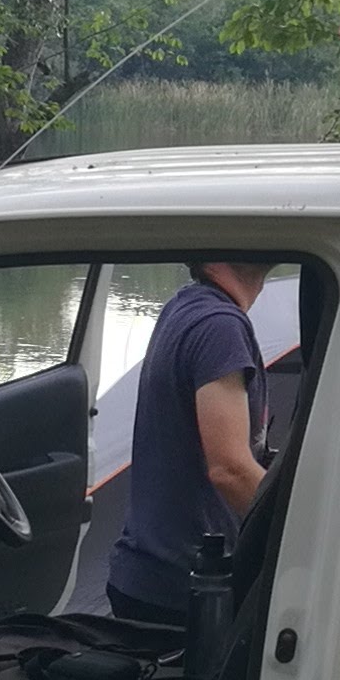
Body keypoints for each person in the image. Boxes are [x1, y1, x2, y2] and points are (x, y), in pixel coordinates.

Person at [102, 262, 271, 629]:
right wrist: (307, 536)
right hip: (184, 595)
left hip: (148, 579)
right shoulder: (219, 326)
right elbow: (230, 470)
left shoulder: (188, 305)